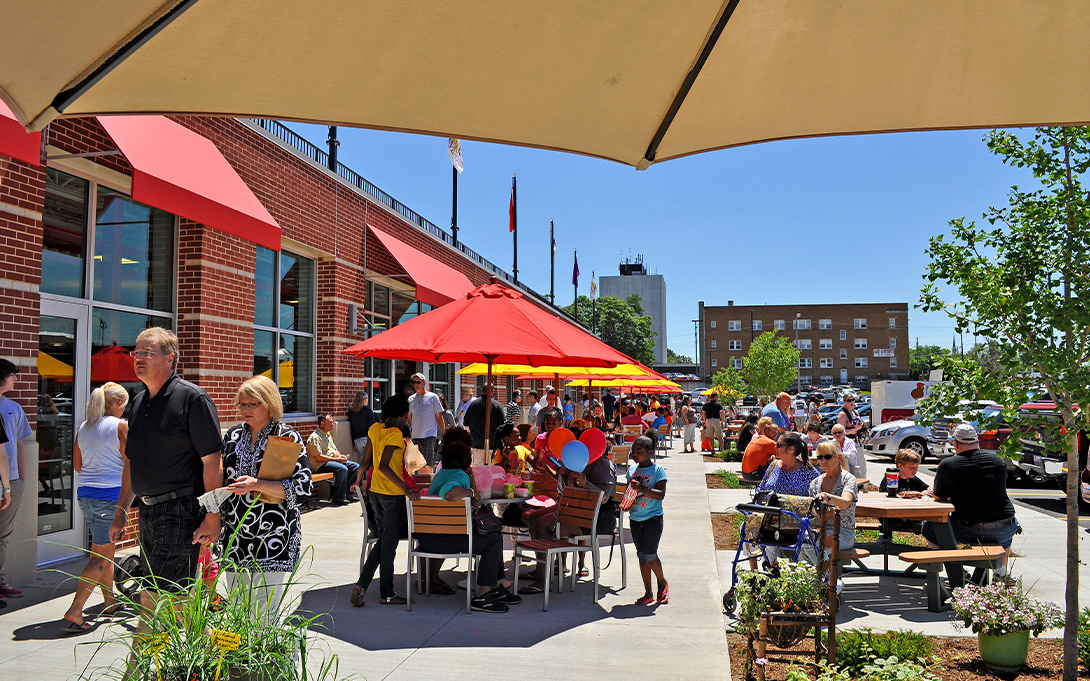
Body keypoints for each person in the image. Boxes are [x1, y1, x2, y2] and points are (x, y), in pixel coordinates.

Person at [109, 328, 223, 608]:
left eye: (147, 353)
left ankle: (144, 651)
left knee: (157, 596)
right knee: (173, 598)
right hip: (148, 513)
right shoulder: (138, 402)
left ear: (170, 359)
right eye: (136, 352)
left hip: (180, 510)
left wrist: (213, 515)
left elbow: (213, 462)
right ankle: (211, 648)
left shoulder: (192, 399)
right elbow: (132, 462)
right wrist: (121, 513)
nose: (138, 358)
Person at [218, 376, 312, 619]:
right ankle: (239, 659)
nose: (246, 410)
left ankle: (267, 657)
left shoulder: (287, 437)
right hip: (235, 537)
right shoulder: (232, 436)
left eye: (253, 404)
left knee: (264, 615)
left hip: (273, 537)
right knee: (238, 611)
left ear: (269, 404)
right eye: (242, 404)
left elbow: (303, 487)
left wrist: (257, 485)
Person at [413, 440, 523, 613]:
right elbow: (448, 493)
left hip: (428, 538)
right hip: (445, 539)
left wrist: (470, 476)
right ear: (466, 460)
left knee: (494, 536)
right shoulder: (458, 476)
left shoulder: (441, 474)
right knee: (493, 541)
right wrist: (470, 492)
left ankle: (495, 587)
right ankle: (482, 596)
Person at [62, 382, 129, 632]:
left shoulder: (85, 427)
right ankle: (75, 610)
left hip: (86, 495)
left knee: (103, 550)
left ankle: (109, 601)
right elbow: (129, 462)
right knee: (101, 556)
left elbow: (77, 465)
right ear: (119, 403)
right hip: (110, 497)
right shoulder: (120, 426)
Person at [924, 423, 1019, 573]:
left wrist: (932, 490)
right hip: (1006, 527)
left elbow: (938, 495)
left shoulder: (948, 465)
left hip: (970, 529)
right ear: (977, 441)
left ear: (955, 443)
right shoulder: (998, 461)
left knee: (929, 527)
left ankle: (958, 572)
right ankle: (1001, 575)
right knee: (1002, 533)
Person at [352, 394, 419, 606]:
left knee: (383, 541)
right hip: (392, 495)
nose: (407, 419)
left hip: (375, 494)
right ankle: (387, 593)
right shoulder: (395, 435)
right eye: (406, 416)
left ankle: (361, 585)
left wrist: (357, 480)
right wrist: (406, 488)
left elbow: (365, 460)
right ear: (400, 416)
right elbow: (383, 465)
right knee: (388, 546)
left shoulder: (374, 429)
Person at [0, 358, 31, 602]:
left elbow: (19, 443)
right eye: (12, 375)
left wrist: (21, 478)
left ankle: (0, 581)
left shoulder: (13, 408)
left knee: (3, 534)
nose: (15, 379)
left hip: (12, 481)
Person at [626, 434, 668, 605]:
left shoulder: (658, 470)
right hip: (635, 518)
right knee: (642, 556)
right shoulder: (631, 470)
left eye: (639, 451)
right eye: (633, 451)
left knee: (650, 555)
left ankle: (662, 582)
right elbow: (629, 494)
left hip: (653, 518)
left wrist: (642, 487)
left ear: (650, 452)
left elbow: (661, 495)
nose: (635, 454)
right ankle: (648, 593)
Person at [809, 440, 858, 552]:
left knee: (815, 544)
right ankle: (821, 568)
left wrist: (827, 497)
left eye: (828, 457)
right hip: (820, 530)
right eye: (820, 457)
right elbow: (813, 514)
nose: (823, 461)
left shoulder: (848, 479)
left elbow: (846, 502)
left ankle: (821, 568)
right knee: (805, 541)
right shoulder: (815, 483)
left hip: (843, 532)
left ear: (839, 458)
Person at [306, 413, 359, 506]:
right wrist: (336, 460)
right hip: (319, 465)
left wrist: (341, 457)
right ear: (322, 424)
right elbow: (318, 457)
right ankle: (338, 498)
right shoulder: (314, 437)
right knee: (342, 469)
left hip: (332, 461)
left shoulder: (328, 435)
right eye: (330, 422)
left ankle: (348, 493)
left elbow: (334, 450)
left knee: (355, 467)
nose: (333, 424)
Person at [407, 373, 445, 468]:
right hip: (415, 436)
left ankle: (428, 482)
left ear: (424, 383)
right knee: (416, 464)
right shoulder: (411, 399)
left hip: (429, 435)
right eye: (414, 382)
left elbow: (439, 417)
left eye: (419, 382)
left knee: (427, 463)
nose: (416, 384)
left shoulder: (433, 397)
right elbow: (409, 417)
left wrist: (444, 432)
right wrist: (410, 431)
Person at [463, 386, 506, 465]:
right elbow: (503, 426)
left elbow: (466, 423)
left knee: (478, 473)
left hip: (476, 445)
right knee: (492, 473)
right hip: (493, 446)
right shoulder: (497, 405)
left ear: (482, 390)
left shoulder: (473, 404)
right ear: (493, 391)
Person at [347, 391, 376, 463]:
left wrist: (354, 444)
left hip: (357, 440)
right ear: (365, 399)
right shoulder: (367, 410)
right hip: (367, 438)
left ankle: (364, 474)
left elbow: (352, 429)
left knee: (365, 460)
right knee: (372, 460)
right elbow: (373, 426)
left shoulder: (352, 412)